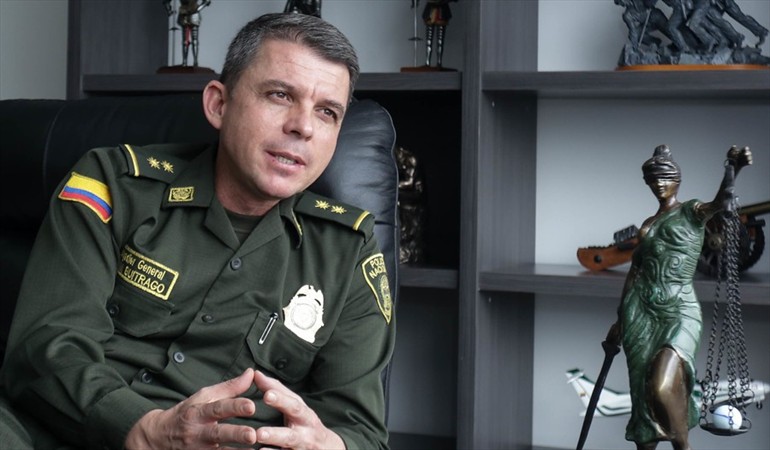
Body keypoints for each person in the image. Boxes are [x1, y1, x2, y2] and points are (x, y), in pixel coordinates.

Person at [0, 12, 395, 450]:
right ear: (218, 105)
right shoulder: (113, 185)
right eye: (280, 95)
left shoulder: (348, 252)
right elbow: (48, 348)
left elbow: (361, 430)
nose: (303, 126)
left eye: (327, 112)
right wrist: (143, 428)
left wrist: (328, 445)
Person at [604, 144, 752, 450]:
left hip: (679, 310)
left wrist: (732, 169)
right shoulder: (648, 224)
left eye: (666, 177)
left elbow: (722, 202)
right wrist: (620, 319)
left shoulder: (691, 212)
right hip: (640, 313)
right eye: (652, 179)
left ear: (677, 180)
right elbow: (636, 270)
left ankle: (682, 445)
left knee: (661, 386)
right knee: (642, 392)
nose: (659, 183)